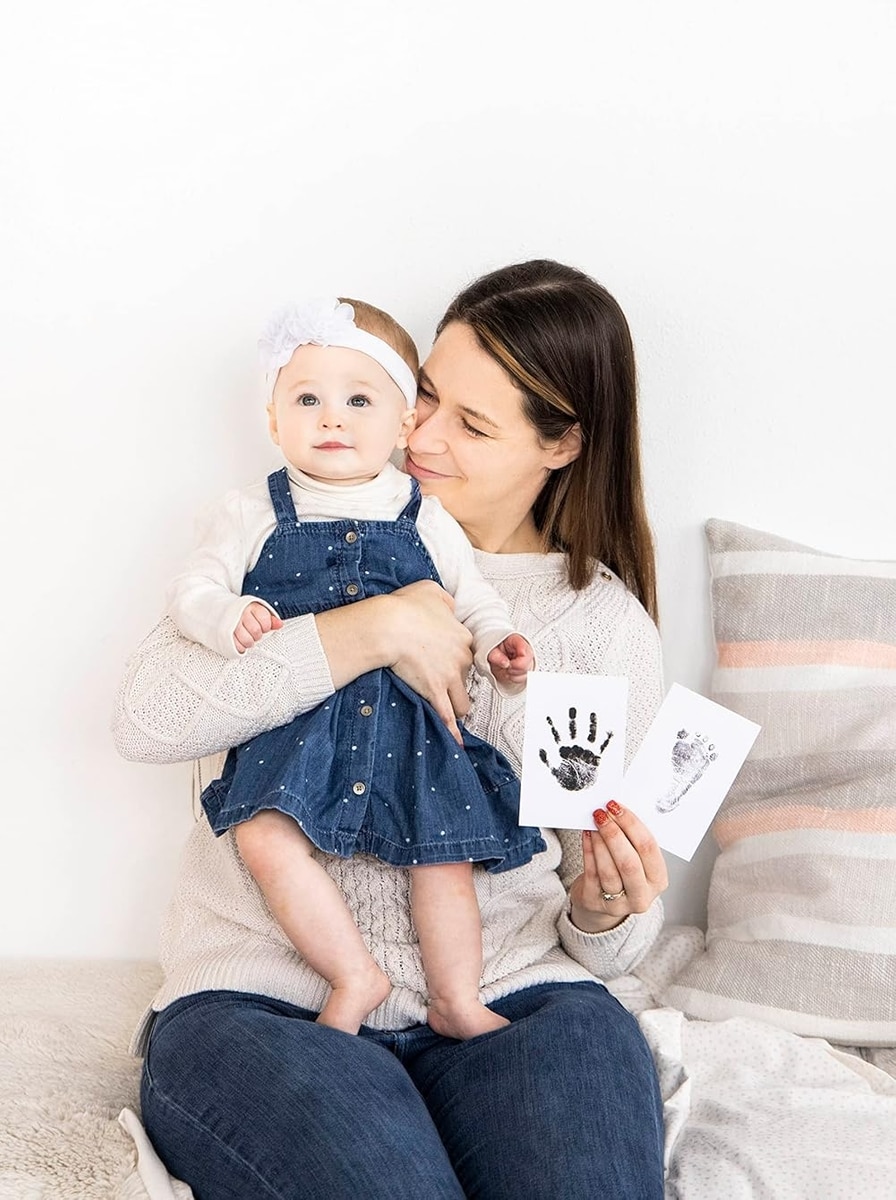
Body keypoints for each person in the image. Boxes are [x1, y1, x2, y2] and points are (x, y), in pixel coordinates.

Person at [114, 259, 670, 1200]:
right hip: (267, 1000)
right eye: (426, 397)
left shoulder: (600, 626)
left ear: (563, 444)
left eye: (474, 425)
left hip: (515, 995)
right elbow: (145, 717)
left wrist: (606, 911)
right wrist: (371, 629)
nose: (422, 434)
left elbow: (607, 940)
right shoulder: (280, 531)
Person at [165, 294, 541, 1039]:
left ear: (403, 425)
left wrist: (499, 641)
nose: (331, 419)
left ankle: (456, 997)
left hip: (414, 724)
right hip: (302, 720)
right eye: (307, 400)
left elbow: (474, 596)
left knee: (444, 854)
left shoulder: (422, 513)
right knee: (264, 837)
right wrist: (226, 617)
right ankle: (353, 974)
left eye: (358, 400)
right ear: (273, 420)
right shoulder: (251, 512)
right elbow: (192, 589)